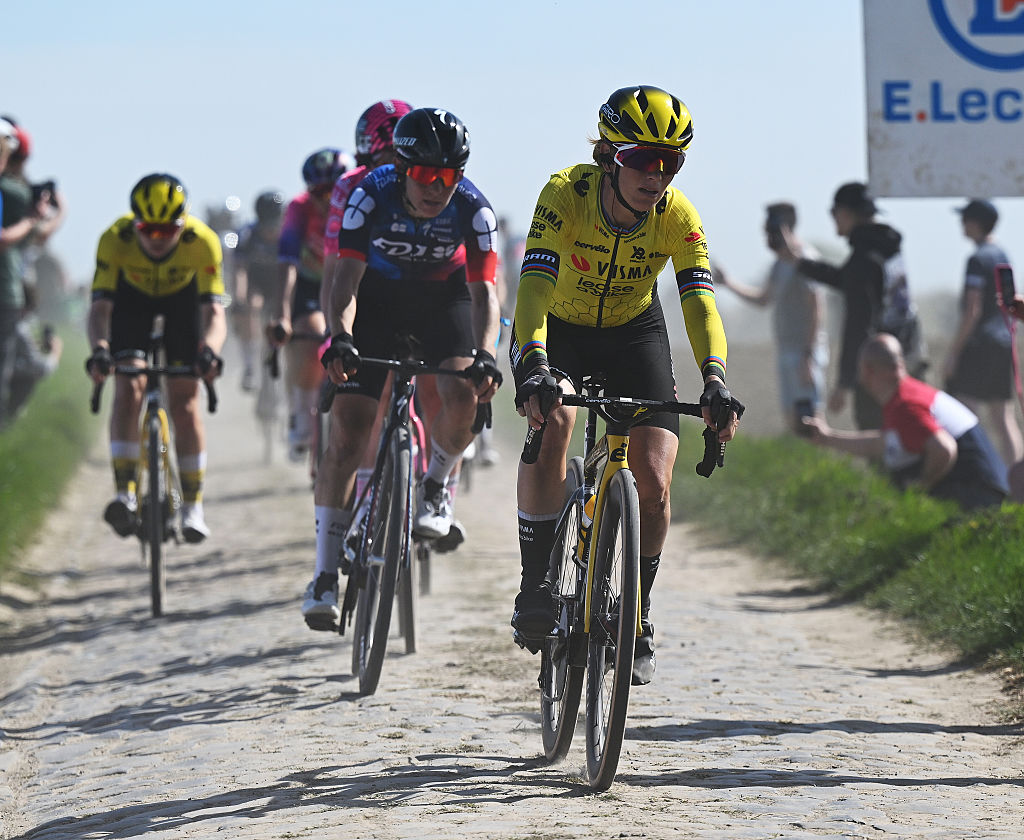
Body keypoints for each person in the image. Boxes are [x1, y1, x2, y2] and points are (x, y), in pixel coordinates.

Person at [509, 85, 743, 686]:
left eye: (672, 161)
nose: (657, 174)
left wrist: (714, 379)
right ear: (611, 156)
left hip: (633, 331)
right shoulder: (566, 194)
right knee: (555, 421)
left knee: (655, 477)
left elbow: (699, 305)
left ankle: (636, 612)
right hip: (558, 327)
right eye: (644, 159)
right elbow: (533, 289)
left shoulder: (677, 217)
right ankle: (536, 583)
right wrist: (533, 362)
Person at [307, 107, 502, 630]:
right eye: (424, 175)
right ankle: (325, 574)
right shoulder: (368, 195)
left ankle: (436, 485)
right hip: (376, 302)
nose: (437, 188)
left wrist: (486, 353)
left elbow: (485, 291)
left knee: (465, 393)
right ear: (401, 167)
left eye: (448, 176)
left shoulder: (473, 209)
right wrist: (341, 337)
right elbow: (344, 281)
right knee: (347, 432)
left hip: (444, 301)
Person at [85, 174, 227, 543]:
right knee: (128, 386)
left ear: (184, 224)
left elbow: (214, 312)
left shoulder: (204, 242)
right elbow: (100, 308)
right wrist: (100, 349)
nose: (158, 239)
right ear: (135, 224)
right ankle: (124, 494)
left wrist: (209, 350)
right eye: (149, 230)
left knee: (185, 400)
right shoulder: (115, 239)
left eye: (169, 230)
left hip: (183, 304)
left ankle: (193, 506)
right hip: (132, 304)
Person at [803, 333, 1007, 511]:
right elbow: (879, 444)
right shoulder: (906, 395)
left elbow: (944, 449)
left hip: (981, 497)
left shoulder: (906, 406)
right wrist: (827, 438)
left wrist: (920, 486)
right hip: (987, 490)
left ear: (866, 370)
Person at [791, 181, 925, 430]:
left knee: (879, 439)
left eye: (833, 212)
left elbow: (858, 324)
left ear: (845, 212)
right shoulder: (886, 247)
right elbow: (846, 279)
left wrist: (845, 383)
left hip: (879, 367)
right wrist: (801, 263)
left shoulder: (864, 258)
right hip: (908, 353)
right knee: (909, 435)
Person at [269, 148, 353, 462]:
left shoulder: (361, 203)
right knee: (313, 331)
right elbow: (287, 263)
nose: (328, 199)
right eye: (320, 192)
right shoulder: (299, 209)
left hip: (348, 278)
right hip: (309, 281)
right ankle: (302, 412)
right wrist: (283, 315)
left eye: (335, 190)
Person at [715, 202, 828, 433]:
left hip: (804, 353)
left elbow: (817, 307)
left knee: (809, 417)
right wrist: (728, 283)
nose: (767, 237)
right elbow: (764, 299)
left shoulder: (806, 260)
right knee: (791, 418)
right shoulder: (779, 265)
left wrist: (808, 355)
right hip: (786, 349)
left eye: (771, 230)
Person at [943, 199, 1023, 467]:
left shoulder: (977, 260)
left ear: (974, 224)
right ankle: (1018, 486)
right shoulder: (1002, 255)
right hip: (1003, 342)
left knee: (964, 415)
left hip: (979, 345)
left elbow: (972, 310)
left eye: (964, 219)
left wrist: (954, 353)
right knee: (1004, 418)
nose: (960, 225)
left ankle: (974, 478)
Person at [0, 118, 66, 424]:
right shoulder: (14, 194)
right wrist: (54, 212)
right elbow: (40, 233)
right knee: (19, 367)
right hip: (7, 292)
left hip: (13, 292)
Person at [232, 190, 285, 391]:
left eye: (274, 226)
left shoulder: (288, 235)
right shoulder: (247, 235)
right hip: (256, 283)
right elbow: (240, 272)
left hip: (280, 284)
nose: (271, 231)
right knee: (250, 306)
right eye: (267, 226)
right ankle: (249, 367)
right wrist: (239, 299)